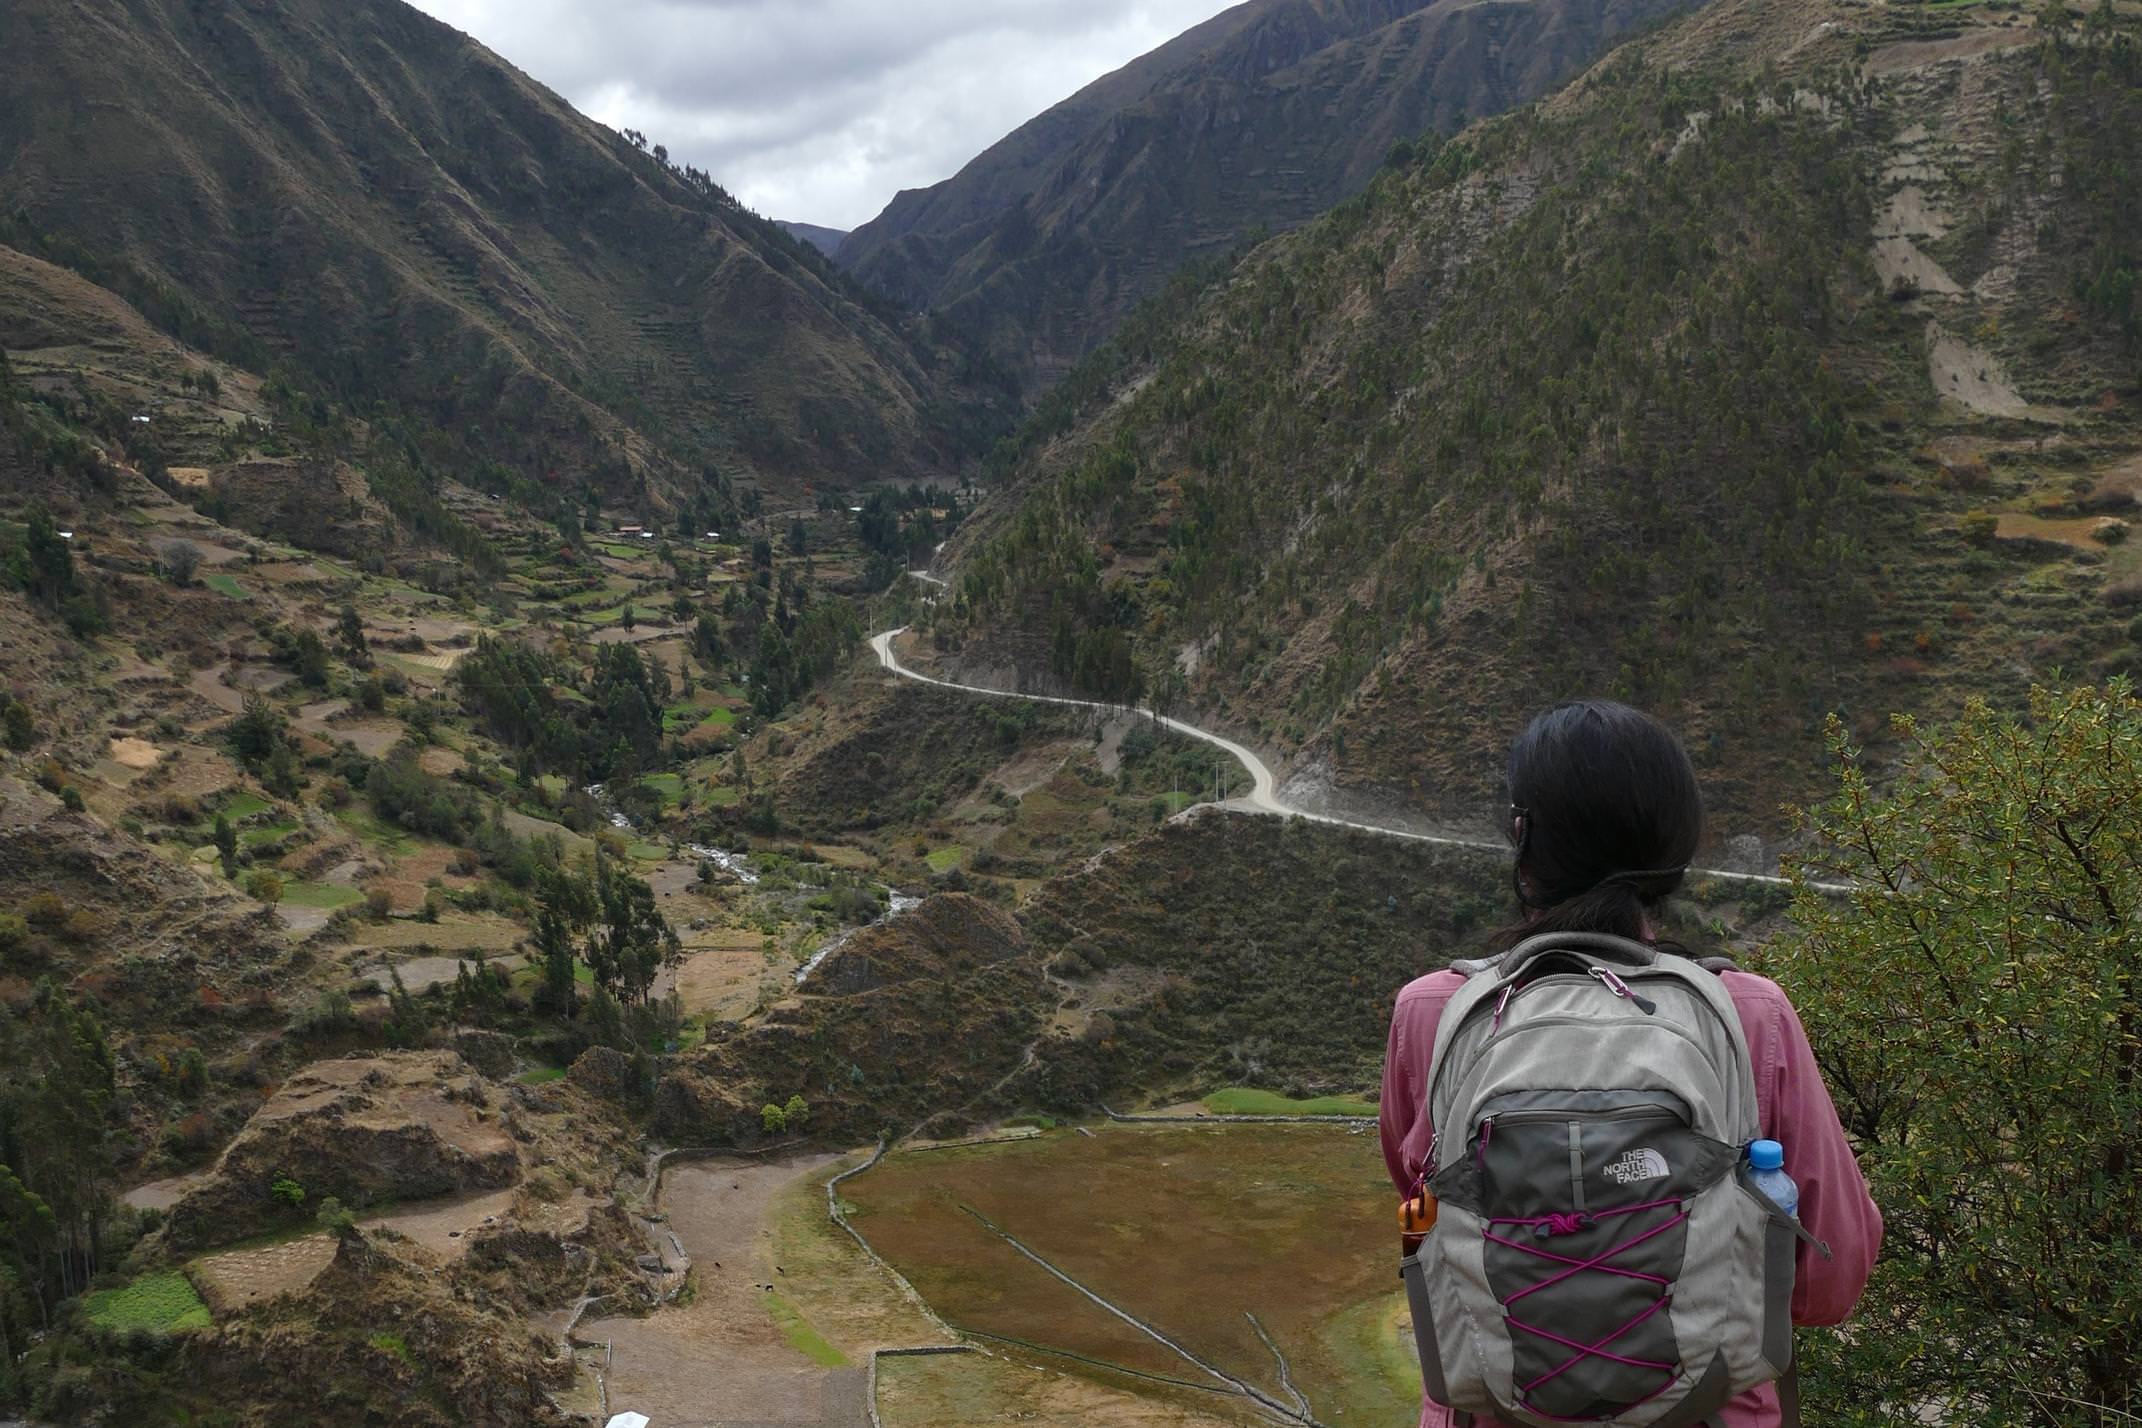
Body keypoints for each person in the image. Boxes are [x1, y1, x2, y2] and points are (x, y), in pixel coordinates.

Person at [1380, 699, 1882, 1428]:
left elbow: (1424, 1219)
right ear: (1674, 845)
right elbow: (1831, 1284)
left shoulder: (1432, 1012)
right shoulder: (1750, 1016)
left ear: (1524, 836)